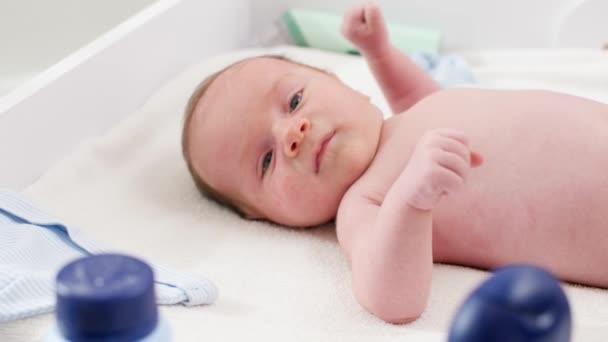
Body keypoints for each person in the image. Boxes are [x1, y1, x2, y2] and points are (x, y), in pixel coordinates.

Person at [181, 2, 608, 323]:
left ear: (338, 80)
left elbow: (425, 101)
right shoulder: (364, 205)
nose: (292, 133)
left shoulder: (407, 120)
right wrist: (412, 199)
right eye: (266, 159)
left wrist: (380, 53)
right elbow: (391, 298)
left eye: (294, 101)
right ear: (264, 216)